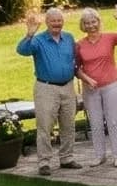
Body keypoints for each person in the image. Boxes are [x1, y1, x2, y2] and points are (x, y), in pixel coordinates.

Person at [16, 9, 80, 175]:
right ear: (47, 22)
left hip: (67, 86)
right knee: (45, 126)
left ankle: (67, 158)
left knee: (69, 125)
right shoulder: (38, 40)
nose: (57, 23)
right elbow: (22, 50)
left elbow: (76, 58)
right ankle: (44, 163)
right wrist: (29, 34)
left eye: (59, 20)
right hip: (46, 88)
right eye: (53, 21)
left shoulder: (69, 38)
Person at [74, 6, 117, 169]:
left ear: (99, 22)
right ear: (83, 25)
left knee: (113, 121)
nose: (91, 25)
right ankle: (99, 155)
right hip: (90, 89)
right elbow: (76, 67)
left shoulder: (109, 38)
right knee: (96, 123)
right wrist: (87, 79)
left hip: (111, 85)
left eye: (94, 21)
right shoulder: (79, 45)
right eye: (87, 23)